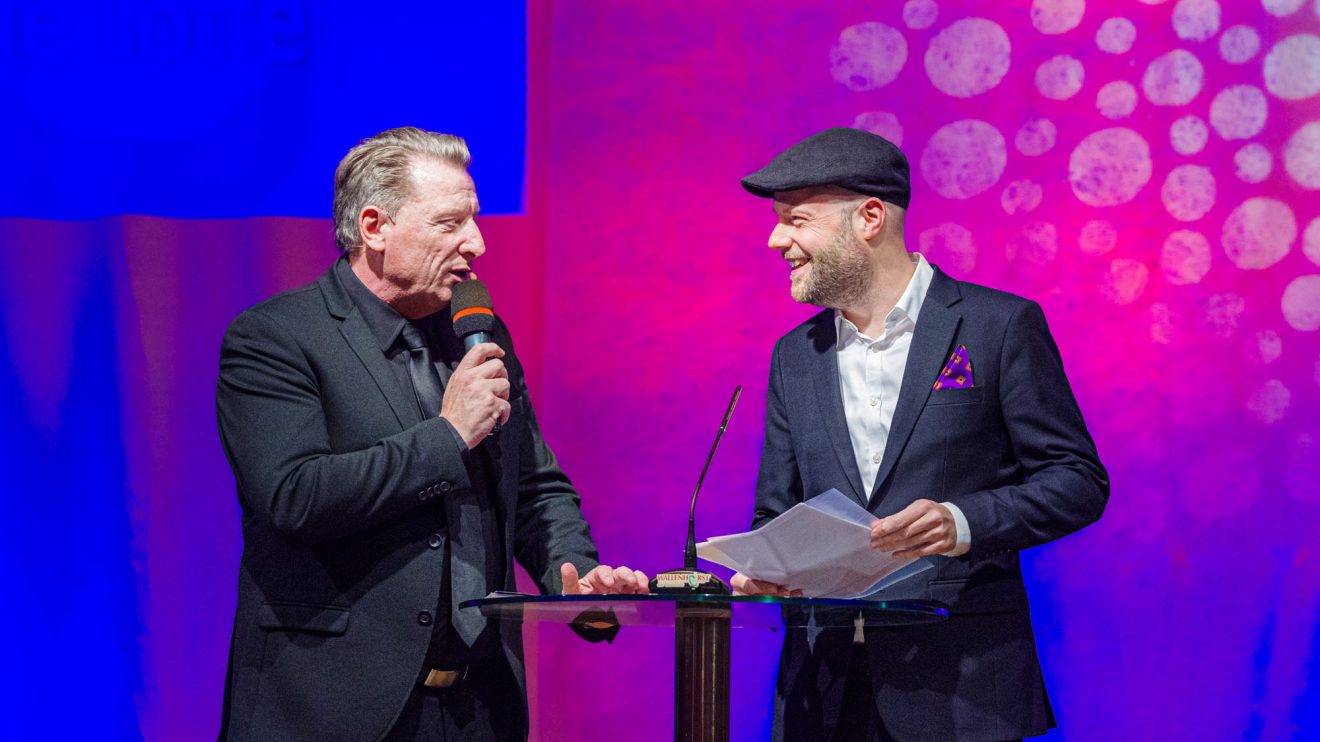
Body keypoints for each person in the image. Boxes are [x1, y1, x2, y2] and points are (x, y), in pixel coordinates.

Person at [215, 127, 647, 742]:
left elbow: (534, 485)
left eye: (474, 220)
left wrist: (575, 579)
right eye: (450, 223)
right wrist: (448, 435)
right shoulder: (277, 339)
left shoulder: (478, 331)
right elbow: (295, 496)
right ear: (374, 227)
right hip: (331, 707)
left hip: (476, 708)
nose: (477, 243)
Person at [733, 128, 1109, 741]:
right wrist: (768, 568)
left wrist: (961, 523)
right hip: (822, 694)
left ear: (870, 218)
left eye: (796, 221)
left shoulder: (998, 327)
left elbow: (1077, 481)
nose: (777, 241)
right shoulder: (794, 355)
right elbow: (775, 510)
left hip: (961, 690)